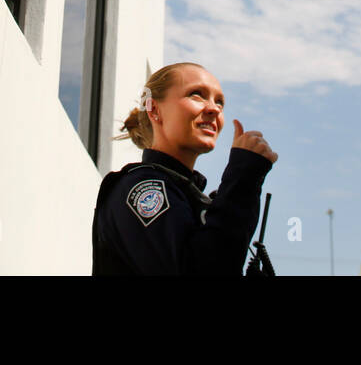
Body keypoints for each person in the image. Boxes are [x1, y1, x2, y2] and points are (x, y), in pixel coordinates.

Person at [92, 62, 277, 275]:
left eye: (220, 103)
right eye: (196, 95)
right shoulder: (142, 188)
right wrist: (243, 178)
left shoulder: (187, 197)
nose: (213, 109)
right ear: (154, 110)